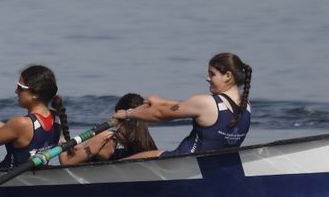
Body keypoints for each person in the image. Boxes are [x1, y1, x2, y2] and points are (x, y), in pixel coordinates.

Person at [119, 53, 252, 159]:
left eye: (212, 74)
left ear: (228, 76)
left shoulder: (206, 103)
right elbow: (184, 106)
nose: (208, 78)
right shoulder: (246, 107)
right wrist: (161, 101)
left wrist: (127, 114)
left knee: (125, 162)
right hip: (215, 164)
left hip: (183, 161)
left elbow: (159, 114)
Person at [0, 65, 70, 169]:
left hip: (5, 179)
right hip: (31, 177)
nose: (16, 91)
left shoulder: (21, 123)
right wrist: (4, 128)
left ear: (35, 94)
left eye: (20, 87)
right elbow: (28, 139)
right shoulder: (56, 119)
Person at [59, 93, 157, 165]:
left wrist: (60, 144)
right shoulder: (146, 141)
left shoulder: (107, 138)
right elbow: (91, 148)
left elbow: (66, 162)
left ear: (119, 114)